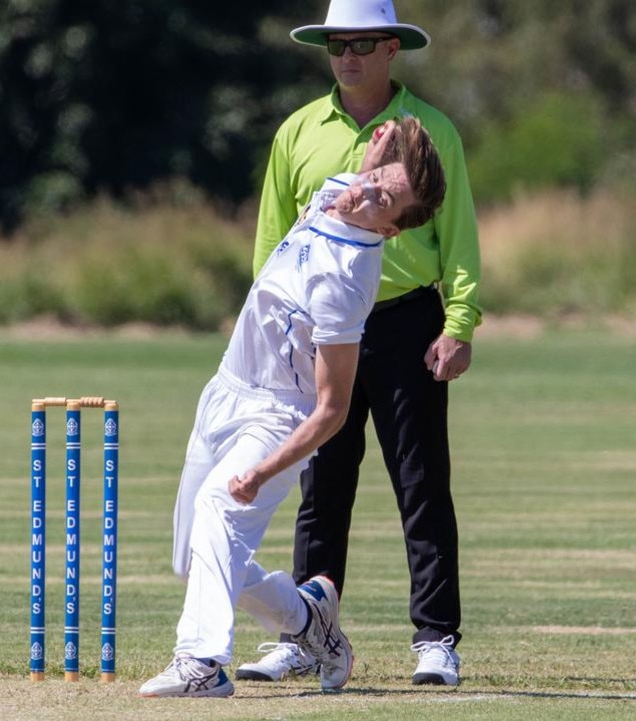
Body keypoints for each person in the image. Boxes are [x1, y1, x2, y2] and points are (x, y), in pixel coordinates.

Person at [138, 118, 447, 698]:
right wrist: (377, 160)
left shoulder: (348, 281)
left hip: (280, 412)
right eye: (377, 177)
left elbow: (332, 409)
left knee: (219, 509)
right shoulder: (341, 189)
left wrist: (265, 469)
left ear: (390, 228)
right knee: (193, 558)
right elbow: (359, 183)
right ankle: (310, 621)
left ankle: (202, 663)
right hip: (226, 388)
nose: (370, 189)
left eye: (386, 197)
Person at [235, 0, 481, 688]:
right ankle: (303, 633)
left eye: (364, 42)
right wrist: (276, 328)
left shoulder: (432, 132)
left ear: (392, 49)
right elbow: (273, 243)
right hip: (319, 326)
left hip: (407, 321)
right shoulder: (297, 131)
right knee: (321, 486)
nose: (348, 55)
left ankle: (435, 637)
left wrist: (459, 323)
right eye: (337, 43)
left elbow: (459, 237)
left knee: (422, 484)